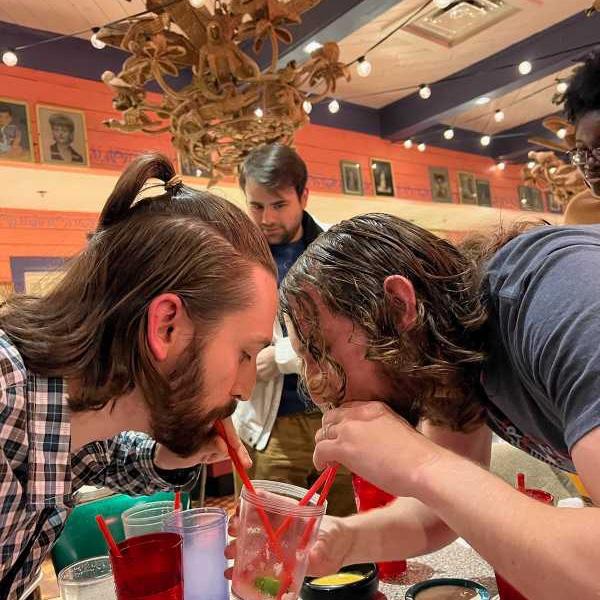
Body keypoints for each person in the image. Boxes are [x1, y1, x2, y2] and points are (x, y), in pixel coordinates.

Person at [256, 209, 600, 599]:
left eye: (321, 351)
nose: (318, 388)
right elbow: (440, 512)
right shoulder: (448, 356)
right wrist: (343, 539)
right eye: (305, 361)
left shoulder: (561, 298)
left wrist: (423, 463)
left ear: (398, 305)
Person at [0, 152, 278, 598]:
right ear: (166, 326)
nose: (244, 390)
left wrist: (173, 455)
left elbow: (108, 455)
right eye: (244, 354)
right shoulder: (4, 395)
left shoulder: (72, 419)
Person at [233, 143, 354, 516]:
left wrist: (282, 356)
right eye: (256, 206)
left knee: (344, 533)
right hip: (267, 427)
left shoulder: (338, 248)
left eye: (279, 205)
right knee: (268, 537)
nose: (267, 218)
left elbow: (352, 328)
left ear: (304, 196)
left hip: (335, 417)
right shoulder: (231, 253)